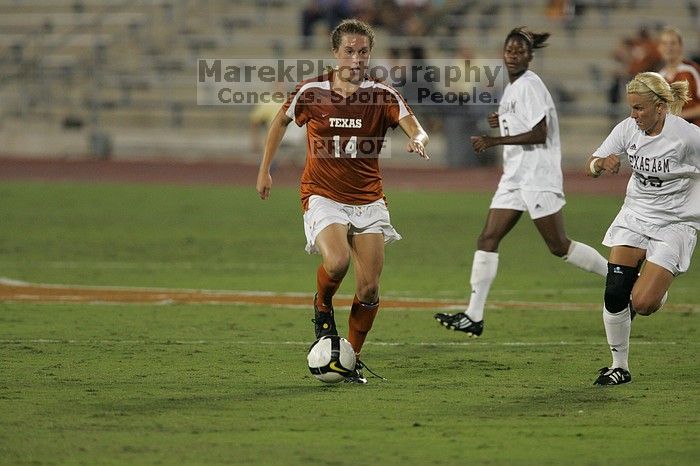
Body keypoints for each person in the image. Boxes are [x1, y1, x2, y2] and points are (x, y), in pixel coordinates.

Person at [256, 19, 429, 384]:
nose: (356, 57)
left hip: (368, 199)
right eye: (349, 50)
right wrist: (264, 169)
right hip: (323, 193)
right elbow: (279, 121)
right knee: (336, 262)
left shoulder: (382, 94)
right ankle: (322, 305)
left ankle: (350, 359)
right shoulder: (312, 90)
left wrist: (419, 140)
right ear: (335, 53)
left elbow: (413, 123)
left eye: (363, 51)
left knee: (369, 288)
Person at [434, 27, 608, 337]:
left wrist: (493, 140)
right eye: (509, 50)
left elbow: (540, 133)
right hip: (515, 176)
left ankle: (619, 279)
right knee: (487, 238)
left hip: (537, 175)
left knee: (558, 246)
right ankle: (473, 315)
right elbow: (522, 122)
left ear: (530, 56)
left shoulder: (530, 85)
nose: (513, 55)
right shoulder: (512, 88)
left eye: (520, 51)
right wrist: (499, 121)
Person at [586, 71, 699, 385]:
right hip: (635, 215)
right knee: (614, 293)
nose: (633, 115)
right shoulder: (627, 129)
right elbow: (593, 162)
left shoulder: (687, 136)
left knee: (643, 303)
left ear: (661, 108)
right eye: (631, 108)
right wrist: (600, 164)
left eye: (639, 109)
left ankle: (654, 288)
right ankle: (618, 366)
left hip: (675, 223)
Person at [657, 27, 700, 126]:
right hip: (671, 136)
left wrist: (679, 116)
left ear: (681, 46)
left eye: (673, 43)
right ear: (659, 48)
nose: (669, 47)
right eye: (664, 43)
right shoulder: (659, 78)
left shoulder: (692, 70)